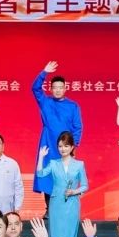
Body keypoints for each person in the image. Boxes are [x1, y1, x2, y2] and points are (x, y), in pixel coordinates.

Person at [37, 131, 88, 237]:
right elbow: (40, 174)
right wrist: (41, 157)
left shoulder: (79, 164)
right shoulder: (53, 163)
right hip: (56, 204)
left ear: (72, 147)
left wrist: (74, 191)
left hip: (72, 204)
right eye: (60, 146)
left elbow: (85, 185)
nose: (63, 149)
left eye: (66, 146)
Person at [31, 61, 83, 208]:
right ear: (51, 89)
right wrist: (44, 72)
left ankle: (65, 206)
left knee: (65, 174)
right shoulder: (45, 102)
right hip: (48, 142)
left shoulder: (72, 106)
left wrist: (73, 146)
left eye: (61, 87)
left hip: (65, 146)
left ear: (65, 88)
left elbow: (77, 127)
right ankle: (49, 208)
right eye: (55, 87)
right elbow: (35, 88)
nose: (58, 90)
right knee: (47, 175)